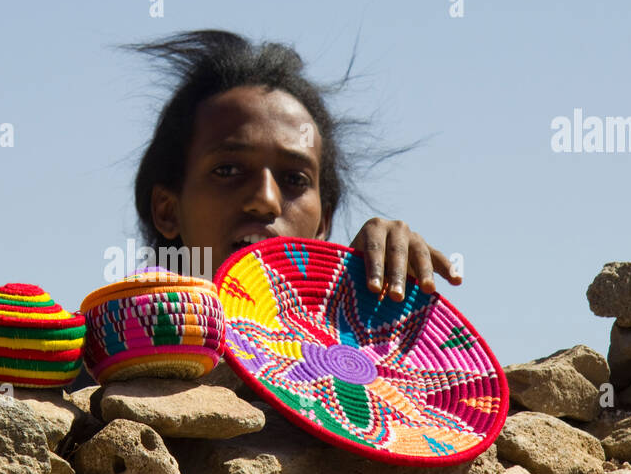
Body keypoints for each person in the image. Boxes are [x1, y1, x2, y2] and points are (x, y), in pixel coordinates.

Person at [122, 29, 461, 299]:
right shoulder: (94, 371)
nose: (266, 200)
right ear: (167, 210)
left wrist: (379, 306)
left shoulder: (356, 372)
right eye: (227, 170)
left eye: (295, 179)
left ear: (323, 224)